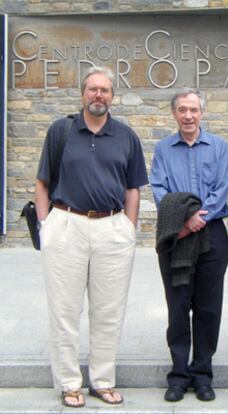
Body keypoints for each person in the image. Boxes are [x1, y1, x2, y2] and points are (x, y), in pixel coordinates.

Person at [35, 66, 148, 408]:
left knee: (108, 311)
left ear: (112, 96)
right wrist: (46, 226)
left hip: (112, 229)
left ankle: (102, 381)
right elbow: (42, 183)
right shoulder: (61, 131)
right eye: (92, 89)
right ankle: (70, 383)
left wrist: (128, 228)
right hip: (66, 225)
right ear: (83, 93)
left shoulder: (126, 137)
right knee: (64, 310)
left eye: (105, 90)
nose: (99, 95)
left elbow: (133, 188)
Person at [150, 88, 228, 402]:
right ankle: (179, 375)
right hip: (176, 236)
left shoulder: (219, 147)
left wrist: (200, 217)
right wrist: (184, 220)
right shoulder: (163, 149)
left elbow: (222, 187)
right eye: (182, 109)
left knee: (208, 309)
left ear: (202, 113)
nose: (188, 115)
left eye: (193, 110)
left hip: (212, 235)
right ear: (174, 113)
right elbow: (159, 189)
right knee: (179, 307)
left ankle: (202, 374)